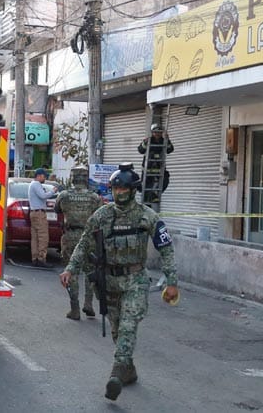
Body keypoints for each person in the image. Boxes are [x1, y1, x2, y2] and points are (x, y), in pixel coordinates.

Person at [59, 162, 179, 401]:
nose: (119, 193)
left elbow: (166, 248)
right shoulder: (102, 215)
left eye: (124, 190)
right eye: (115, 190)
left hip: (136, 280)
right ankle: (128, 369)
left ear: (133, 190)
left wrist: (172, 281)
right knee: (117, 330)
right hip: (110, 281)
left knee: (128, 325)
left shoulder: (148, 216)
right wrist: (71, 268)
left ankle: (116, 374)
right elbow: (84, 243)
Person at [54, 166, 103, 320]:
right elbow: (101, 216)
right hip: (89, 237)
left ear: (72, 178)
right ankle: (89, 304)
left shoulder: (64, 195)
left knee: (71, 272)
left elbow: (57, 210)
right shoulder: (95, 197)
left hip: (71, 236)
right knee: (90, 271)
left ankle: (74, 309)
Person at [28, 167, 59, 268]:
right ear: (38, 176)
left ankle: (35, 258)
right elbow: (43, 196)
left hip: (34, 213)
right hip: (39, 214)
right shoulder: (36, 184)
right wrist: (53, 191)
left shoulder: (32, 185)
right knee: (43, 237)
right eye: (43, 176)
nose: (44, 178)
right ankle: (41, 258)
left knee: (35, 237)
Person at [137, 123, 174, 202]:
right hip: (149, 167)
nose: (157, 134)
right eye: (156, 132)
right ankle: (148, 202)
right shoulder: (149, 140)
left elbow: (170, 150)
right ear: (152, 132)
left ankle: (155, 194)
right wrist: (145, 143)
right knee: (146, 186)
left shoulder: (163, 141)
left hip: (159, 166)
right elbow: (140, 150)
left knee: (165, 181)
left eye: (159, 132)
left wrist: (168, 141)